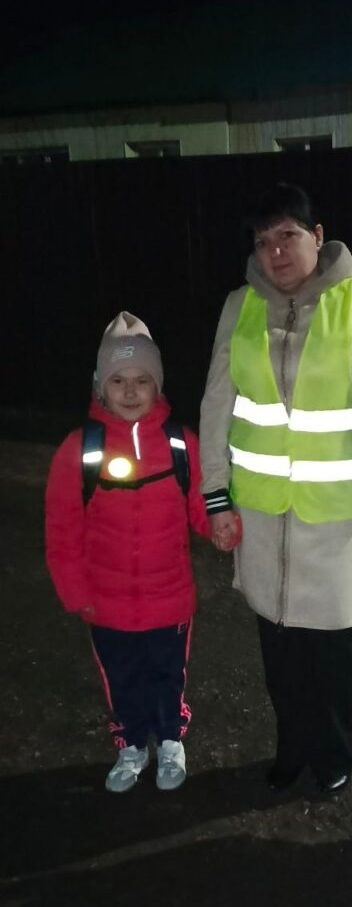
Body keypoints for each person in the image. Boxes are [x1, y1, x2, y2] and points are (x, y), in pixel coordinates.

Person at [199, 182, 352, 795]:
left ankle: (334, 752)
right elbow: (217, 405)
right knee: (278, 648)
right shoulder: (239, 306)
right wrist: (217, 495)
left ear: (317, 237)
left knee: (331, 652)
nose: (275, 251)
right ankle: (291, 747)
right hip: (264, 516)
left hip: (334, 519)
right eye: (263, 241)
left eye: (288, 235)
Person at [45, 311, 212, 793]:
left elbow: (204, 509)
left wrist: (229, 527)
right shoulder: (79, 449)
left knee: (167, 675)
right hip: (106, 603)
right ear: (100, 387)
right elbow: (62, 530)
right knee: (122, 679)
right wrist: (76, 593)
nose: (131, 391)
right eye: (118, 380)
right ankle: (131, 745)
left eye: (143, 379)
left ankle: (171, 741)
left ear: (158, 385)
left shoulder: (181, 444)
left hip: (169, 600)